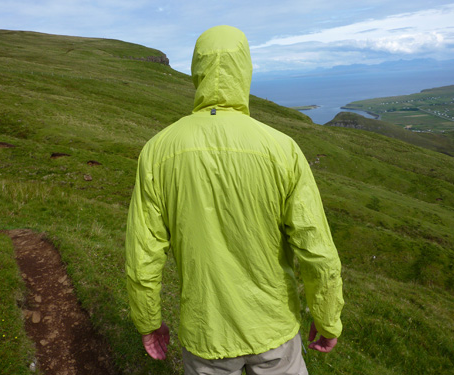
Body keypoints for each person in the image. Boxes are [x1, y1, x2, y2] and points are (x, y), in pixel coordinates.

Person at [125, 25, 344, 374]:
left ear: (197, 70)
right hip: (274, 328)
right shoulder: (281, 149)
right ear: (246, 70)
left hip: (207, 332)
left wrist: (148, 321)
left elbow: (143, 254)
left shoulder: (158, 151)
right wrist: (327, 317)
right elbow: (316, 248)